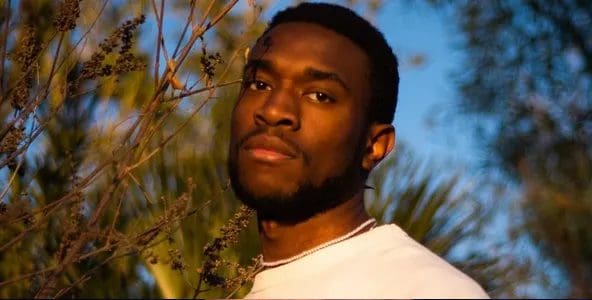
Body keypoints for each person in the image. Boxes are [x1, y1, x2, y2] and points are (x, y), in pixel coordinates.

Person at [227, 2, 489, 298]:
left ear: (374, 145)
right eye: (260, 84)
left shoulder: (427, 290)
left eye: (320, 95)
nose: (273, 110)